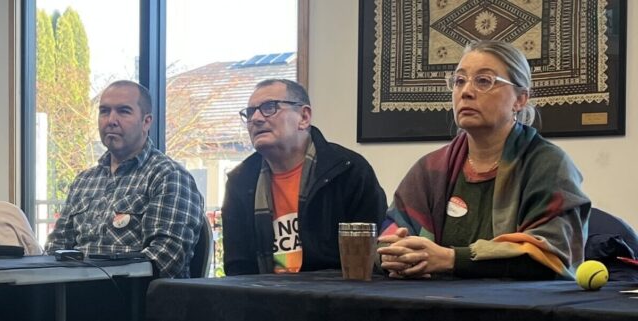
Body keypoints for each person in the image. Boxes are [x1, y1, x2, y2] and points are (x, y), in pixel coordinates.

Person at [377, 40, 590, 280]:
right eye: (459, 81)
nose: (466, 92)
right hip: (434, 299)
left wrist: (450, 259)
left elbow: (550, 255)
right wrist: (395, 254)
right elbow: (387, 237)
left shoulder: (548, 165)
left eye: (484, 81)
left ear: (520, 99)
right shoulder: (430, 168)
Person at [221, 79, 387, 275]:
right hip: (261, 292)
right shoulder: (240, 181)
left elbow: (373, 258)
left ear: (304, 117)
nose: (256, 118)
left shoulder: (349, 170)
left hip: (335, 291)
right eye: (250, 112)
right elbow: (238, 268)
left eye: (269, 107)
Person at [46, 80, 204, 278]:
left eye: (123, 111)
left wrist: (91, 282)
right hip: (72, 290)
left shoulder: (169, 177)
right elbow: (55, 248)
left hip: (135, 293)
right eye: (104, 111)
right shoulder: (83, 182)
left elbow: (163, 260)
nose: (111, 120)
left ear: (146, 122)